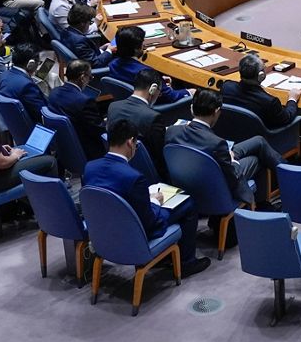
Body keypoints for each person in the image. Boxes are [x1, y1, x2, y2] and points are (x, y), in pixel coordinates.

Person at [84, 118, 211, 277]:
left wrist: (144, 198)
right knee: (189, 204)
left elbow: (111, 197)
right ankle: (187, 262)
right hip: (135, 233)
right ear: (130, 142)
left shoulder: (90, 168)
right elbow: (150, 222)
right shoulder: (133, 177)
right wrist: (155, 202)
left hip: (104, 232)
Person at [166, 89, 284, 206]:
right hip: (215, 184)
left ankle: (287, 172)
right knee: (256, 160)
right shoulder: (216, 143)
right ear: (216, 112)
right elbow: (232, 177)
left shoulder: (172, 131)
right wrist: (232, 161)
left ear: (192, 108)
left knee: (259, 141)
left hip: (193, 173)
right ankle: (261, 202)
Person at [109, 26, 191, 105]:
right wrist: (189, 92)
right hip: (156, 106)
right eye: (142, 43)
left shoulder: (113, 64)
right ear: (136, 49)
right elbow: (170, 96)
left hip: (128, 102)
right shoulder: (147, 73)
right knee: (194, 91)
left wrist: (159, 81)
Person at [219, 54, 301, 131]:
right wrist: (292, 99)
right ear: (261, 75)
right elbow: (287, 118)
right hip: (260, 139)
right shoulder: (270, 101)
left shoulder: (226, 87)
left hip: (230, 132)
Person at [48, 60, 108, 160]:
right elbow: (99, 129)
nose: (90, 79)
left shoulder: (54, 93)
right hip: (86, 151)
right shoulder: (85, 101)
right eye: (90, 77)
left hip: (63, 146)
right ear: (83, 78)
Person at [0, 43, 48, 123]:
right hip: (33, 126)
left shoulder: (3, 75)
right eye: (38, 63)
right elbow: (42, 114)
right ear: (30, 64)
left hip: (13, 123)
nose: (38, 66)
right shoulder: (27, 86)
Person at [62, 4, 112, 68]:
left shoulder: (66, 31)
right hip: (101, 68)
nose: (90, 24)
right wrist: (109, 51)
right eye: (90, 22)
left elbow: (87, 54)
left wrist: (101, 48)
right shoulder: (79, 42)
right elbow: (96, 64)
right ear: (83, 23)